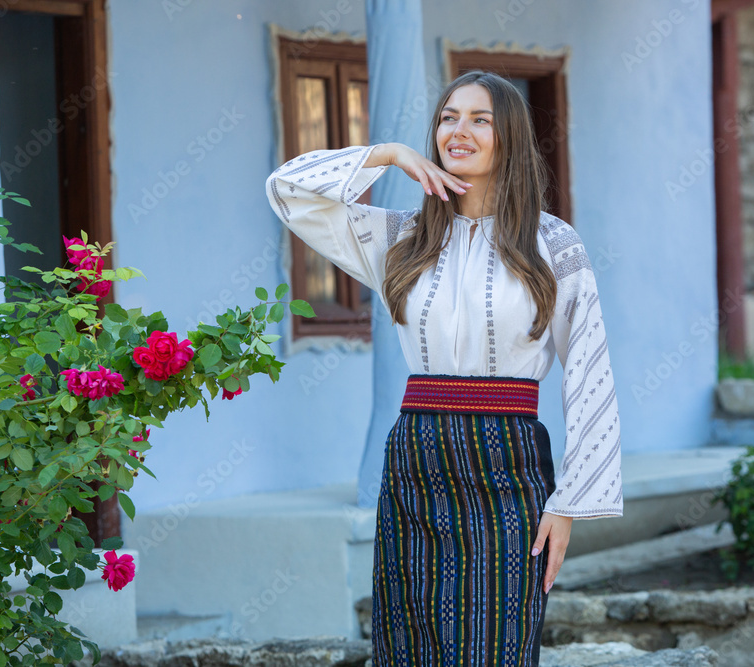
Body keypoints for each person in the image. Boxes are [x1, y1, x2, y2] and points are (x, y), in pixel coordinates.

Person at [266, 70, 621, 666]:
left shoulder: (552, 244)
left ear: (508, 134)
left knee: (497, 643)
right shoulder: (400, 239)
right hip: (418, 457)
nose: (460, 131)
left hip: (508, 462)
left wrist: (567, 503)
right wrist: (390, 155)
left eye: (480, 119)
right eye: (448, 117)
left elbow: (590, 373)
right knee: (413, 642)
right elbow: (288, 190)